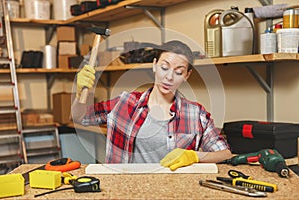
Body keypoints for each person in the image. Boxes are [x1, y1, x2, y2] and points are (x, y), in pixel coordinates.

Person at [71, 40, 232, 171]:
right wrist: (79, 96)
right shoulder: (125, 103)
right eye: (164, 67)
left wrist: (196, 156)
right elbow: (80, 117)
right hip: (124, 191)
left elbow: (225, 154)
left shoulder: (196, 114)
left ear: (186, 76)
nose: (169, 77)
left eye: (178, 71)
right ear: (154, 65)